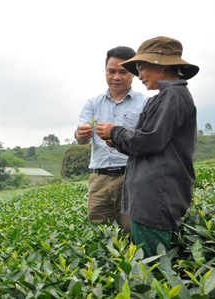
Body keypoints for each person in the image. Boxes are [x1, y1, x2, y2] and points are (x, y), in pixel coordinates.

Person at [95, 36, 198, 257]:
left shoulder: (173, 96)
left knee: (152, 270)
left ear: (160, 66)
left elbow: (150, 141)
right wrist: (119, 141)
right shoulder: (161, 97)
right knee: (148, 263)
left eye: (142, 68)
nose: (139, 76)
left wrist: (115, 131)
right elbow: (147, 141)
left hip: (155, 198)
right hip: (147, 198)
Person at [75, 46, 149, 235]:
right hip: (99, 179)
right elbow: (81, 139)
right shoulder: (93, 103)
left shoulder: (146, 103)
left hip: (131, 176)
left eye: (123, 72)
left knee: (131, 231)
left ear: (134, 73)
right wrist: (80, 135)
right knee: (99, 233)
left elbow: (147, 140)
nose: (116, 76)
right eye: (111, 71)